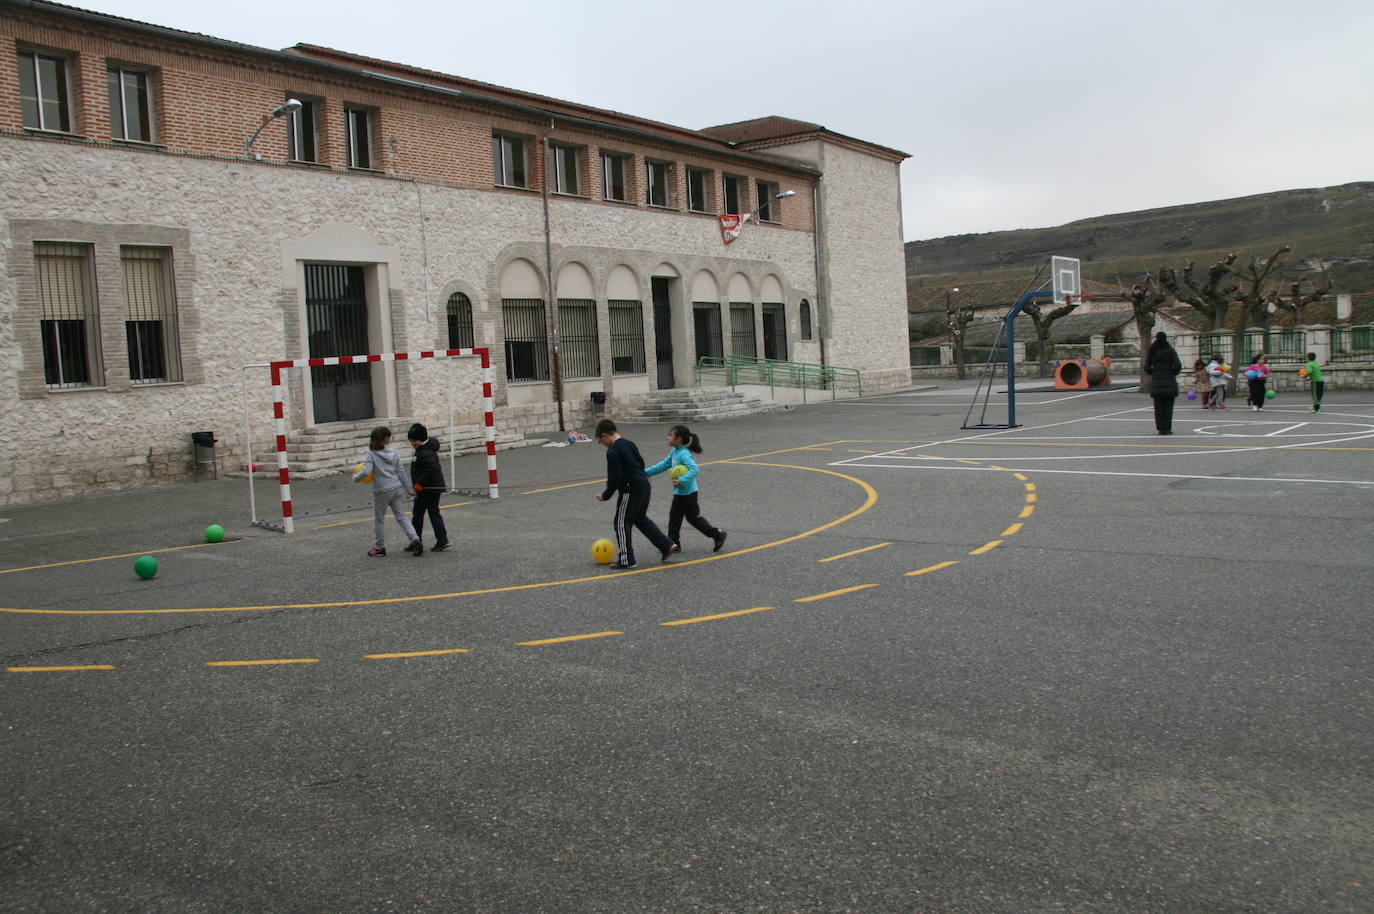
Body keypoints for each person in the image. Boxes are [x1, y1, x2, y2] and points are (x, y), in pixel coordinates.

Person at [594, 418, 678, 569]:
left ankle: (627, 559)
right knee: (639, 518)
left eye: (601, 440)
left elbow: (615, 477)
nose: (602, 444)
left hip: (630, 488)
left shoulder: (613, 450)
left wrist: (606, 495)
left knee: (621, 522)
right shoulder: (629, 443)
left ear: (605, 435)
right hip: (644, 484)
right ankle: (666, 545)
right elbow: (640, 461)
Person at [645, 424, 727, 553]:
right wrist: (646, 472)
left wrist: (682, 481)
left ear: (678, 439)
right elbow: (664, 464)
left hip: (686, 493)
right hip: (685, 492)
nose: (667, 438)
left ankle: (673, 543)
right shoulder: (675, 452)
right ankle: (716, 534)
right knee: (690, 517)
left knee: (677, 517)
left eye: (670, 435)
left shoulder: (684, 454)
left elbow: (695, 469)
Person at [354, 426, 422, 557]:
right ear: (385, 440)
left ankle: (380, 547)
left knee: (379, 519)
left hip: (382, 490)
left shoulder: (371, 454)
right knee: (402, 517)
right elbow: (401, 472)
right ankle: (415, 539)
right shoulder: (393, 453)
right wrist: (409, 488)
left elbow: (366, 471)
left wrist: (356, 478)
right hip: (396, 488)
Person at [407, 423, 449, 552]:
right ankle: (440, 539)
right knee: (432, 512)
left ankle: (416, 540)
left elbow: (431, 468)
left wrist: (419, 483)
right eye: (411, 441)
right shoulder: (425, 449)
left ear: (421, 440)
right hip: (430, 487)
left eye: (414, 441)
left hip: (428, 489)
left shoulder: (425, 453)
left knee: (418, 514)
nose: (412, 443)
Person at [1143, 332, 1183, 435]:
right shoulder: (1171, 351)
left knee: (1158, 407)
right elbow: (1178, 365)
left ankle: (1160, 428)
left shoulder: (1152, 351)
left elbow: (1147, 368)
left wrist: (1154, 373)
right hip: (1169, 381)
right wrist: (1172, 372)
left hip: (1156, 382)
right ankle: (1167, 428)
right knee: (1168, 407)